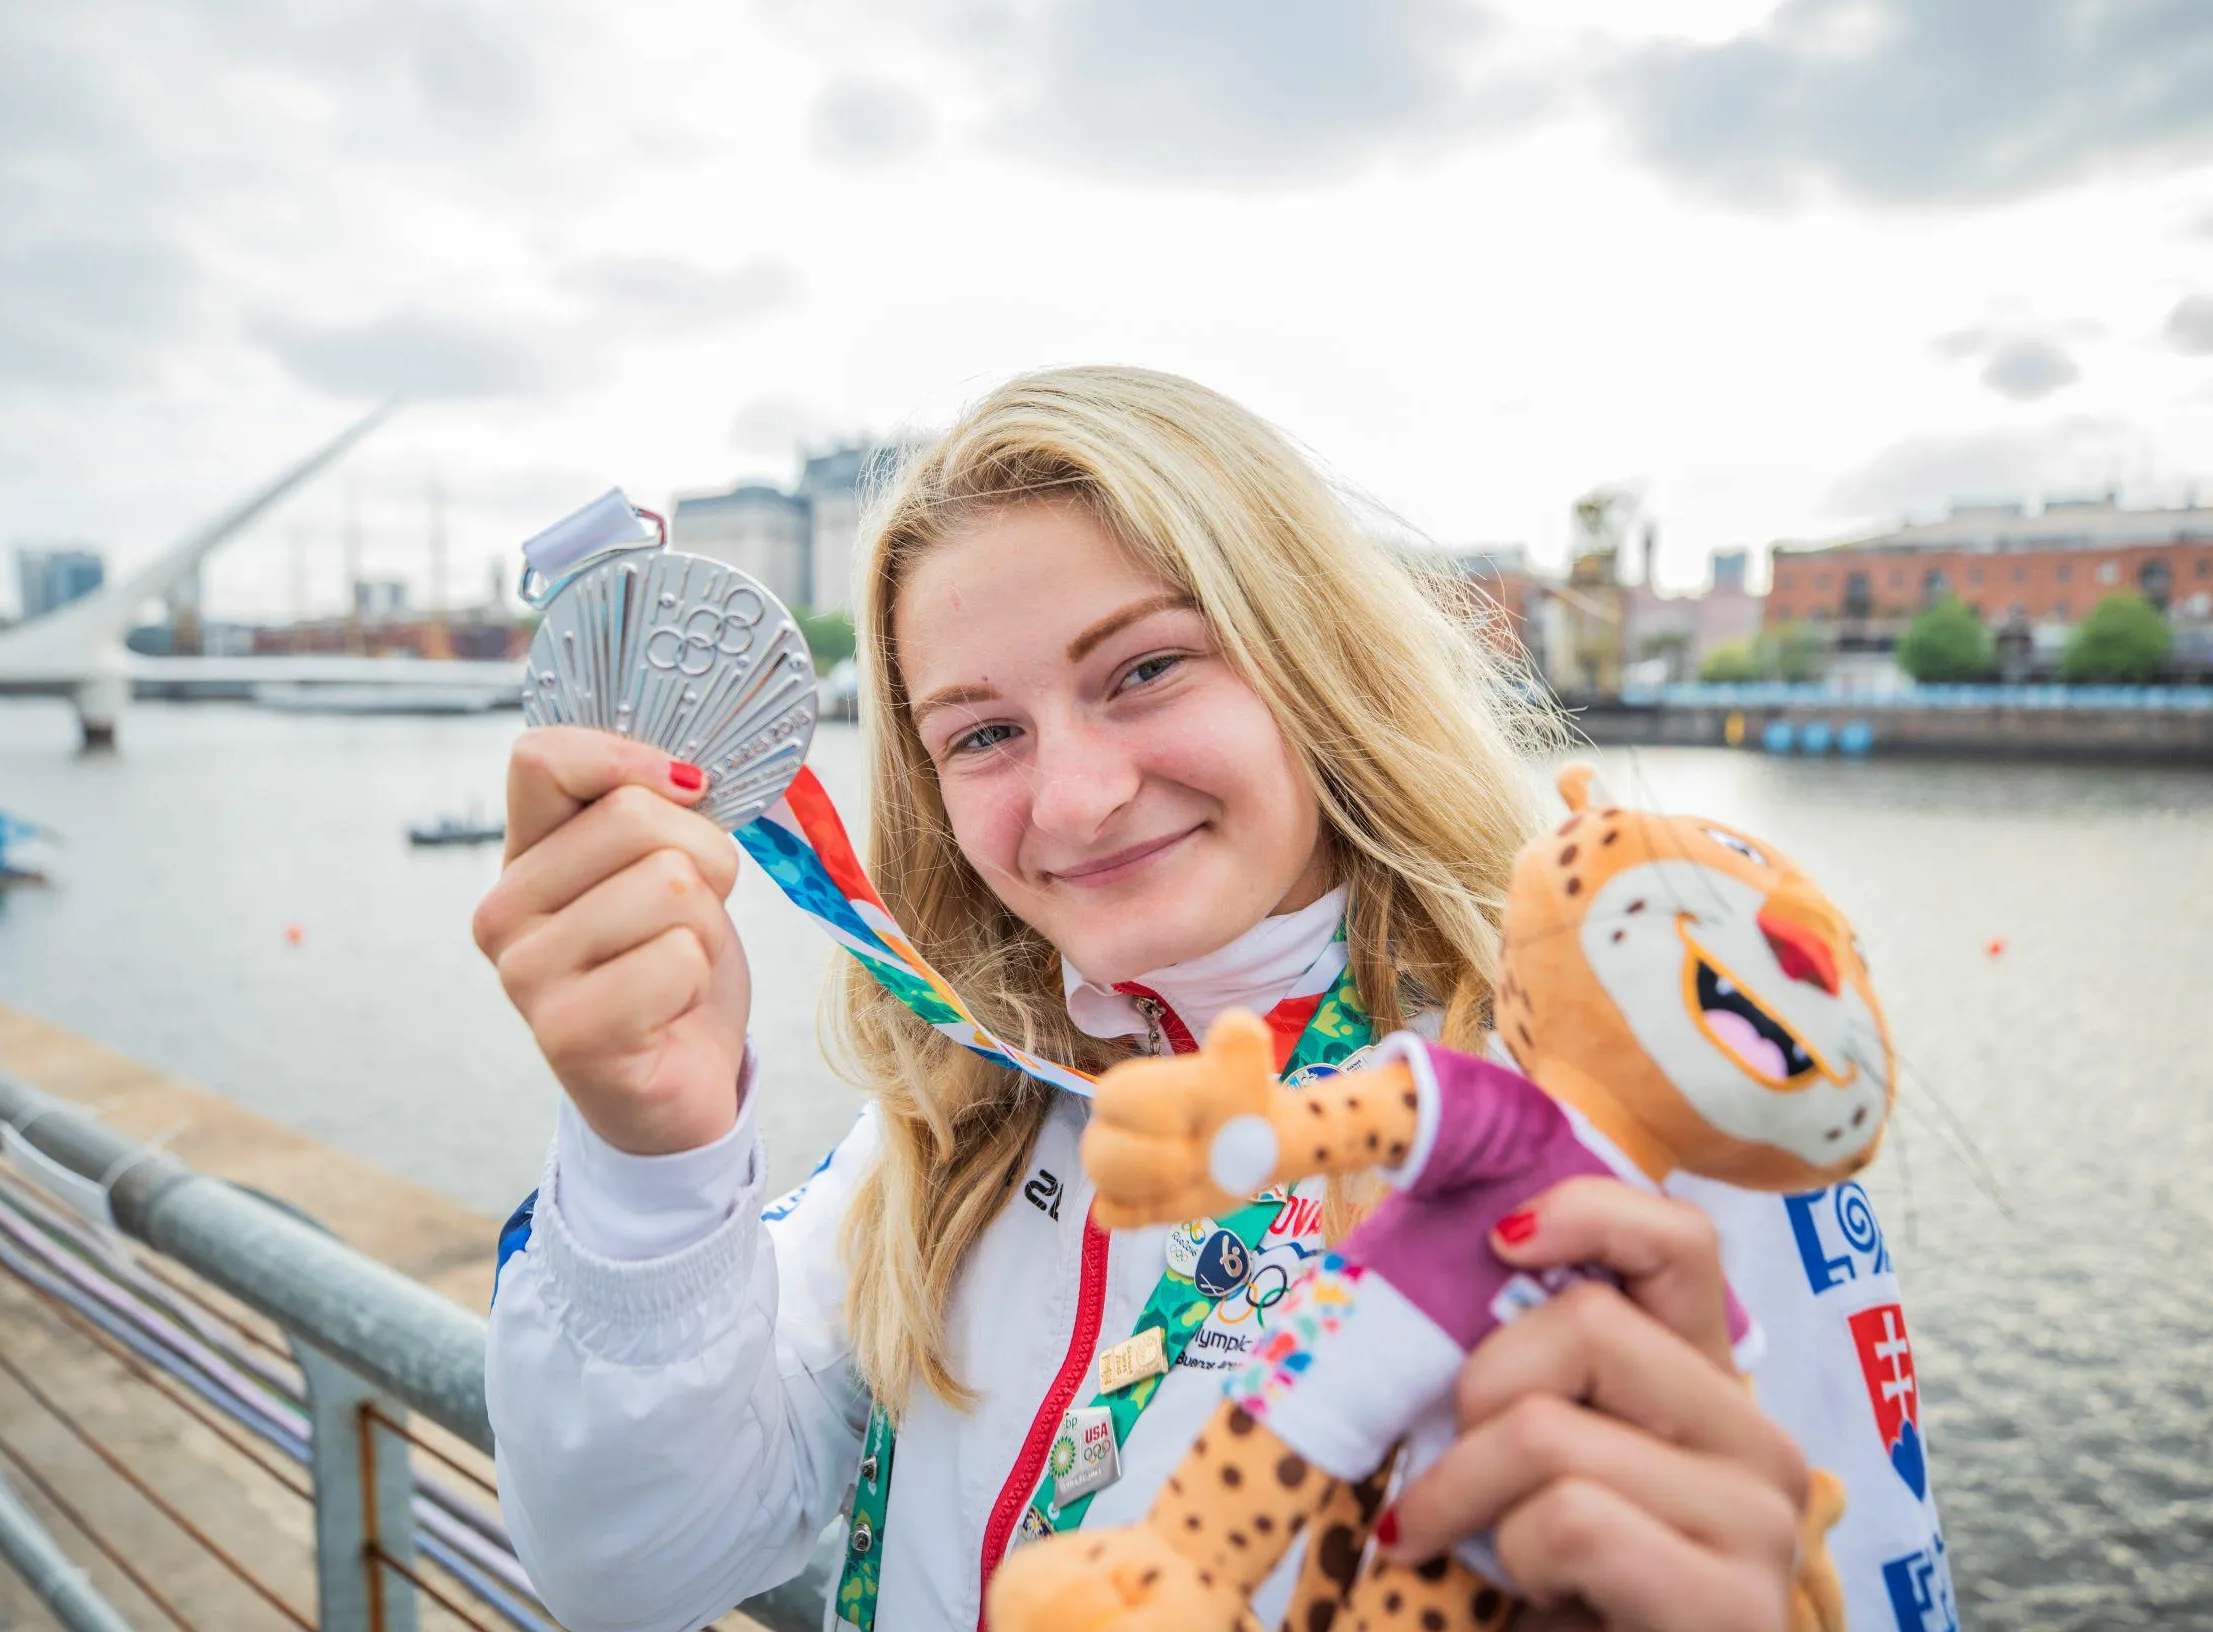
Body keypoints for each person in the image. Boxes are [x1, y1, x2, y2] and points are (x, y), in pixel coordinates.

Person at [478, 367, 1948, 1632]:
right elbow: (632, 1570)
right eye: (982, 732)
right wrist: (650, 1151)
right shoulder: (956, 1125)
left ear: (1311, 658)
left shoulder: (1637, 1107)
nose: (1076, 796)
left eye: (1146, 668)